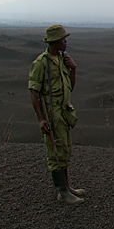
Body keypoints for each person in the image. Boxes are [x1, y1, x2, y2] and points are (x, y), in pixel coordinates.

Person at [28, 25, 85, 204]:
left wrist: (73, 69)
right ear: (53, 42)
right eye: (62, 39)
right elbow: (34, 93)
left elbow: (70, 87)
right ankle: (62, 193)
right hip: (52, 113)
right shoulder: (41, 63)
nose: (65, 42)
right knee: (55, 151)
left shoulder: (63, 59)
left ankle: (67, 187)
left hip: (64, 110)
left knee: (65, 148)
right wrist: (41, 119)